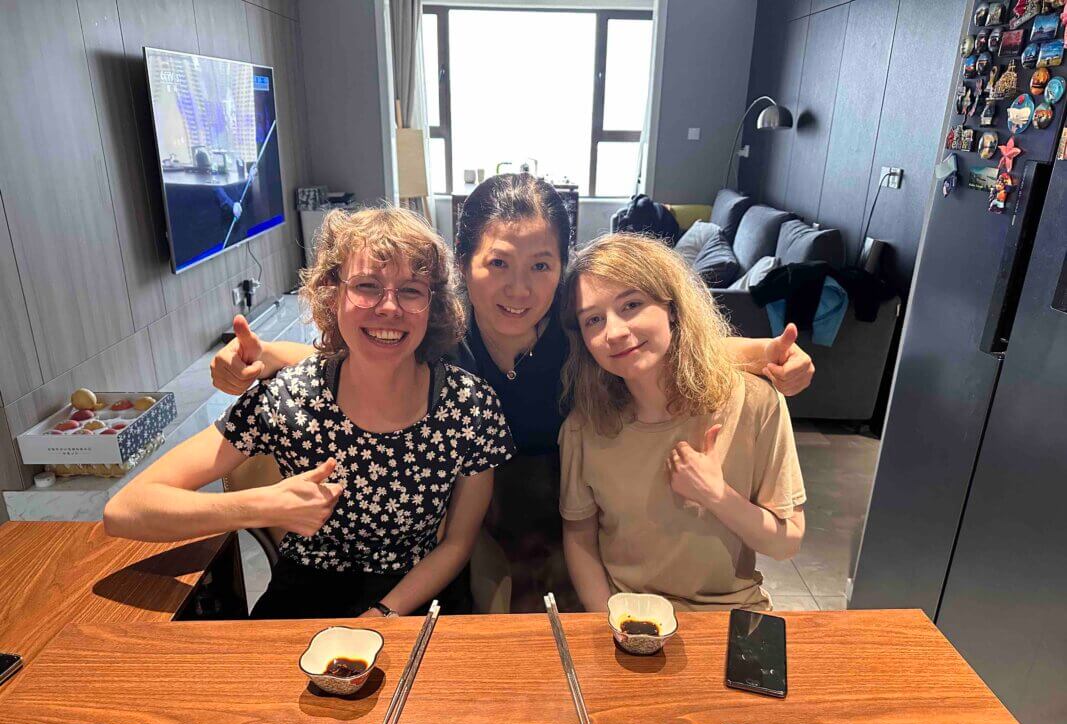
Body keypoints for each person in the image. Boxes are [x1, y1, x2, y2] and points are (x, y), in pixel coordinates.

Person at [209, 174, 814, 611]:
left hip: (579, 518)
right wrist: (262, 358)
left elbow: (670, 344)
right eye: (498, 264)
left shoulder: (579, 334)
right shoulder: (440, 336)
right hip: (476, 522)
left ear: (562, 267)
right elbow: (343, 357)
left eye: (541, 265)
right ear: (463, 263)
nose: (519, 290)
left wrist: (766, 356)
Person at [104, 207, 514, 618]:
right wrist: (265, 505)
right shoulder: (291, 397)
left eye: (411, 290)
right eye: (367, 286)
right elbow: (125, 509)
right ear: (333, 294)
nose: (389, 307)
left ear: (434, 305)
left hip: (416, 597)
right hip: (304, 597)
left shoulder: (469, 406)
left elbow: (457, 544)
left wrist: (382, 615)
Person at [558, 233, 806, 612]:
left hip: (729, 611)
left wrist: (716, 496)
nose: (615, 332)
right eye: (593, 319)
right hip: (628, 613)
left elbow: (786, 543)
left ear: (671, 308)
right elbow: (579, 538)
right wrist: (609, 619)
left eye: (632, 304)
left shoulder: (754, 401)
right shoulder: (585, 426)